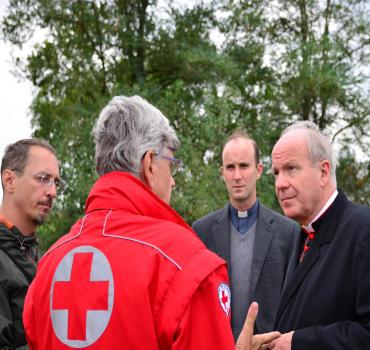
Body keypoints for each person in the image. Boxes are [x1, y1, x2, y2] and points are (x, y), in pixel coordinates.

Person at [22, 96, 279, 350]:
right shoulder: (185, 264)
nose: (174, 180)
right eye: (171, 164)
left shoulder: (47, 267)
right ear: (149, 165)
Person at [268, 121, 370, 349]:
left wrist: (299, 343)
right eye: (276, 172)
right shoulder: (302, 235)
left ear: (323, 172)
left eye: (291, 168)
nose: (280, 183)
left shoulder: (369, 232)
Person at [193, 131, 299, 340]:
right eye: (230, 167)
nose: (237, 176)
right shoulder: (201, 231)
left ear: (259, 170)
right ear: (222, 172)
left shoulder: (288, 232)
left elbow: (293, 304)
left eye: (244, 166)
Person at [0, 138, 62, 349]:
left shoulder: (42, 258)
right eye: (43, 178)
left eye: (56, 182)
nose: (52, 192)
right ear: (10, 180)